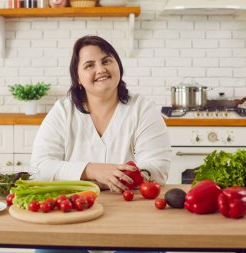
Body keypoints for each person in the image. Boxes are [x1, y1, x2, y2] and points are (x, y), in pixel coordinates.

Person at [30, 35, 171, 253]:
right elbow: (40, 166)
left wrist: (116, 178)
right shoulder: (62, 111)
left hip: (133, 215)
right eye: (89, 65)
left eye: (106, 61)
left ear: (118, 66)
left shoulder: (143, 109)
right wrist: (91, 170)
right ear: (78, 77)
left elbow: (158, 167)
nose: (101, 69)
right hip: (71, 215)